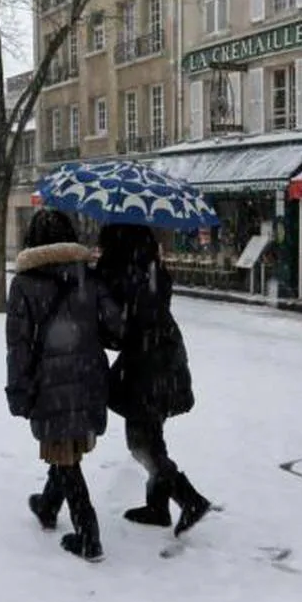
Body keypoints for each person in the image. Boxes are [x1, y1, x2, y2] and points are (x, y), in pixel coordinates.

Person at [6, 209, 124, 562]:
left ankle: (89, 537)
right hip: (88, 376)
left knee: (65, 456)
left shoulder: (24, 284)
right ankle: (46, 506)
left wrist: (18, 390)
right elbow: (116, 332)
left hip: (48, 381)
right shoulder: (88, 277)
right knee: (66, 446)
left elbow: (19, 346)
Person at [94, 224, 210, 537]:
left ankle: (190, 499)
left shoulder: (122, 275)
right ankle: (158, 507)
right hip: (166, 356)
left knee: (141, 441)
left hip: (145, 365)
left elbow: (120, 329)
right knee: (151, 433)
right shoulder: (152, 269)